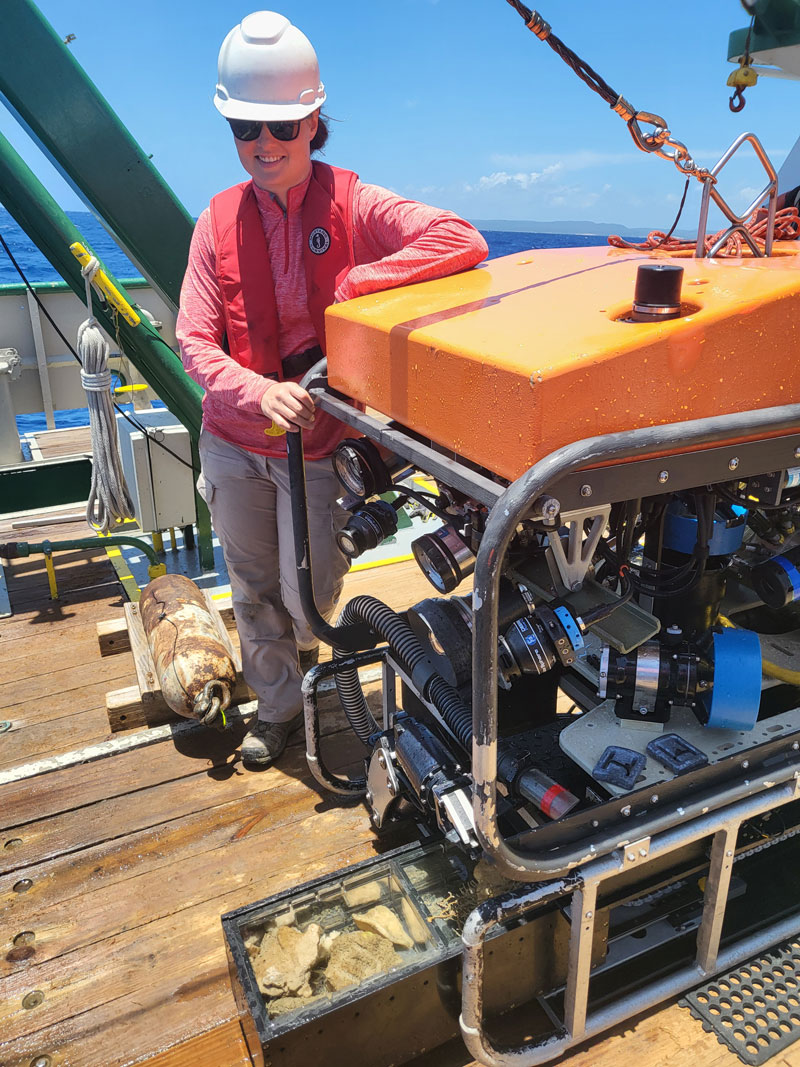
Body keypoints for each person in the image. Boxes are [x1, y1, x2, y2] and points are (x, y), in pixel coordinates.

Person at [176, 10, 488, 767]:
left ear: (315, 120)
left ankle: (315, 680)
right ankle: (279, 709)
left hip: (316, 449)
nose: (264, 146)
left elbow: (461, 238)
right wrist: (256, 391)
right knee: (250, 587)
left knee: (306, 591)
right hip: (234, 441)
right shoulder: (215, 223)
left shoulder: (355, 204)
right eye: (245, 128)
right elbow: (191, 340)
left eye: (282, 127)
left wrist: (356, 285)